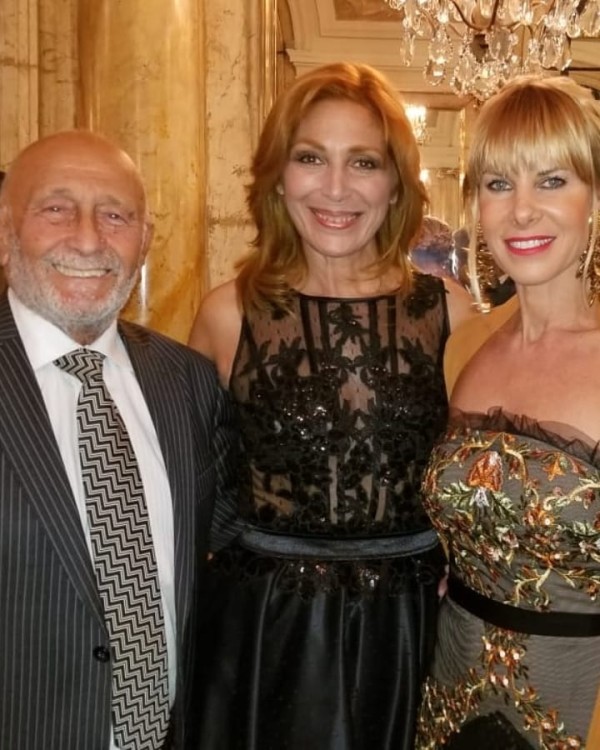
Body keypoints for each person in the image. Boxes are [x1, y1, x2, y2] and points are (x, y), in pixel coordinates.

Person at [188, 62, 474, 750]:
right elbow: (194, 493)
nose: (337, 188)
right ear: (277, 177)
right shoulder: (229, 314)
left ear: (396, 183)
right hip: (265, 636)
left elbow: (477, 481)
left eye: (364, 162)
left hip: (413, 634)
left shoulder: (450, 313)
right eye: (311, 157)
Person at [0, 130, 237, 750]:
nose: (87, 239)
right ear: (4, 232)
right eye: (56, 208)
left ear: (146, 241)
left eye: (115, 216)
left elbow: (234, 540)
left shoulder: (187, 380)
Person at [416, 75, 600, 749]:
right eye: (499, 184)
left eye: (551, 181)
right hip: (448, 697)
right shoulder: (462, 346)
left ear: (594, 198)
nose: (521, 211)